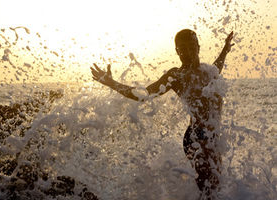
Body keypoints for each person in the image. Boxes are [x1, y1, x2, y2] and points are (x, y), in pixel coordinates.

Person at [90, 29, 234, 199]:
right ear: (176, 52)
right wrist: (112, 83)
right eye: (181, 49)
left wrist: (225, 50)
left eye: (190, 47)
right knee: (210, 189)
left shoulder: (208, 70)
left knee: (213, 188)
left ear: (198, 46)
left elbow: (217, 67)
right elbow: (144, 94)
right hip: (197, 136)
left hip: (212, 137)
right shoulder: (176, 75)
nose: (187, 52)